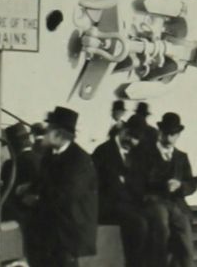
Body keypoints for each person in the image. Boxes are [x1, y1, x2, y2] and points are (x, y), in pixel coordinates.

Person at [21, 107, 97, 267]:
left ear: (58, 134)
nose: (45, 133)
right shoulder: (49, 155)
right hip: (54, 222)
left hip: (70, 230)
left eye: (48, 129)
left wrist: (36, 199)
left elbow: (66, 196)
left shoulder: (80, 160)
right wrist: (28, 190)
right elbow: (42, 182)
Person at [136, 112, 197, 267]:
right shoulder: (144, 153)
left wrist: (181, 186)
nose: (170, 138)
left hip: (175, 203)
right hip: (153, 201)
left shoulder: (181, 157)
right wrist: (163, 185)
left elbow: (189, 183)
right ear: (160, 132)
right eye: (167, 134)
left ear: (178, 135)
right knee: (162, 229)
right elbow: (137, 182)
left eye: (174, 134)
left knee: (185, 233)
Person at [94, 121, 145, 267]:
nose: (132, 141)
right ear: (122, 131)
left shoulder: (135, 154)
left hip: (127, 204)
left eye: (136, 138)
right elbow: (97, 186)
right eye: (129, 135)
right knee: (138, 223)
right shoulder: (103, 151)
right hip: (106, 204)